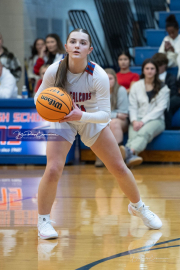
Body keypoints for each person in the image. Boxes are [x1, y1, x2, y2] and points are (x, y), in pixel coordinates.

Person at [34, 29, 162, 240]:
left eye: (82, 42)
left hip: (89, 117)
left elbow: (104, 115)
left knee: (119, 166)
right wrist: (49, 111)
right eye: (72, 41)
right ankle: (44, 221)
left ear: (89, 49)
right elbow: (39, 98)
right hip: (62, 119)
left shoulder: (99, 75)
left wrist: (80, 115)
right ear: (66, 47)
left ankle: (139, 207)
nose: (77, 45)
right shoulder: (54, 71)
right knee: (54, 168)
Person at [120, 59, 170, 167]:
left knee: (143, 133)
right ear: (143, 70)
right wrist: (134, 121)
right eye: (147, 68)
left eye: (152, 68)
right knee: (133, 136)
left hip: (156, 120)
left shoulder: (163, 88)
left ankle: (126, 154)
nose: (149, 71)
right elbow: (132, 106)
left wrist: (142, 122)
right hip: (136, 119)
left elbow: (160, 109)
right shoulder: (136, 86)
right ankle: (130, 157)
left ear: (156, 71)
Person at [95, 68, 129, 167]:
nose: (108, 81)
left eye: (110, 78)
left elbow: (123, 113)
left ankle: (118, 157)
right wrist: (115, 114)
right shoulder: (97, 91)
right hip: (104, 120)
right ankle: (101, 155)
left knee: (114, 123)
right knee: (99, 124)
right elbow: (96, 112)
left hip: (121, 122)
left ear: (115, 79)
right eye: (106, 78)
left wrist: (112, 115)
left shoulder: (121, 90)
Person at [152, 53, 179, 129]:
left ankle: (167, 128)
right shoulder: (150, 76)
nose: (158, 67)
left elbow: (174, 92)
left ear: (165, 65)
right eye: (156, 65)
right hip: (154, 98)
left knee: (166, 104)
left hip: (167, 99)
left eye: (160, 65)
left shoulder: (171, 77)